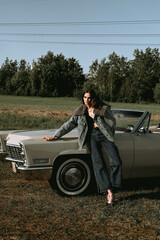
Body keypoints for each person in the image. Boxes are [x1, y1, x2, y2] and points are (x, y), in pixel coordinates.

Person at [43, 89, 122, 204]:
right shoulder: (81, 111)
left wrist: (96, 116)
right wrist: (55, 135)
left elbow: (112, 123)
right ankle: (109, 192)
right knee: (98, 164)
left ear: (94, 98)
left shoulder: (103, 109)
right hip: (92, 138)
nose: (86, 100)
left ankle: (114, 185)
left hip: (105, 135)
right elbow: (69, 124)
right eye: (85, 97)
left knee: (116, 161)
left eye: (89, 98)